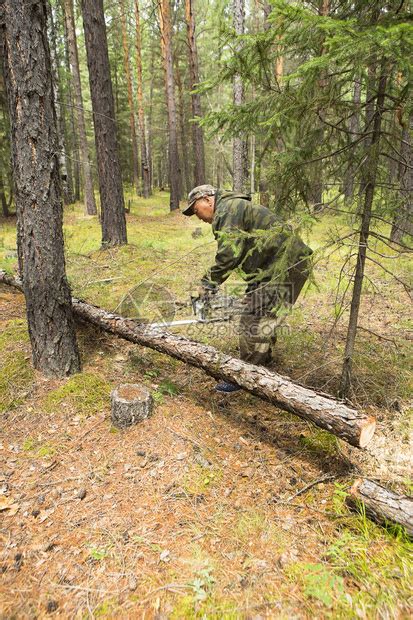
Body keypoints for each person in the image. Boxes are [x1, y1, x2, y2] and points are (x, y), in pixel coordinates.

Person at [182, 184, 313, 393]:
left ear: (207, 199)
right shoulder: (233, 207)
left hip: (284, 266)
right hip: (277, 265)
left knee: (252, 319)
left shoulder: (228, 209)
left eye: (196, 210)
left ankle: (245, 376)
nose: (198, 216)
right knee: (261, 312)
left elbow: (229, 253)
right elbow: (246, 252)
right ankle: (262, 359)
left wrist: (207, 284)